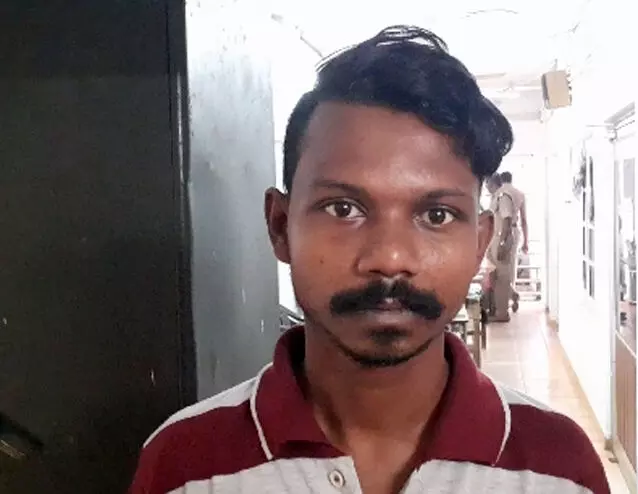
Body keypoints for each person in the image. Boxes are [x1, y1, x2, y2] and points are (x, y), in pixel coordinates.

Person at [129, 26, 609, 494]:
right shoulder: (184, 466)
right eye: (343, 209)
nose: (390, 258)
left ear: (480, 243)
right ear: (280, 226)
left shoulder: (560, 469)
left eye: (437, 215)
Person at [485, 171, 528, 321]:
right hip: (496, 237)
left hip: (502, 237)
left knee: (502, 275)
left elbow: (507, 219)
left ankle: (502, 313)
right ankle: (512, 295)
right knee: (493, 272)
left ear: (492, 183)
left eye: (486, 183)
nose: (485, 186)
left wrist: (503, 243)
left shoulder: (503, 196)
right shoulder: (497, 195)